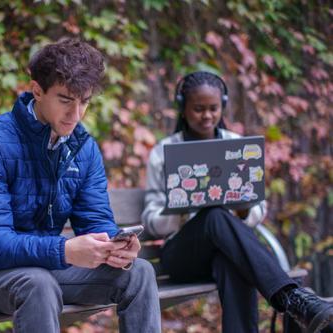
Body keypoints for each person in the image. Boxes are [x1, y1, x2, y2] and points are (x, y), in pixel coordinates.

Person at [0, 38, 161, 333]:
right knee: (38, 284)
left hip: (44, 269)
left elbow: (95, 221)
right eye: (65, 100)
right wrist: (64, 251)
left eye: (84, 102)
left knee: (139, 272)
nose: (76, 115)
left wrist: (116, 246)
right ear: (37, 90)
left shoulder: (82, 147)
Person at [141, 71, 333, 333]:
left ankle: (290, 299)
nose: (207, 116)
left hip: (226, 249)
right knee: (214, 215)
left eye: (213, 108)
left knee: (231, 260)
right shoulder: (162, 153)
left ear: (223, 106)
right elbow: (151, 222)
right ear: (182, 109)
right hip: (181, 255)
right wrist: (180, 208)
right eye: (198, 109)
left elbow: (258, 210)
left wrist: (244, 211)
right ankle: (295, 299)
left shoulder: (236, 145)